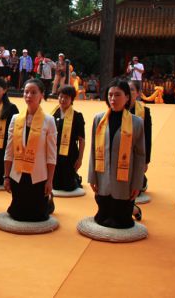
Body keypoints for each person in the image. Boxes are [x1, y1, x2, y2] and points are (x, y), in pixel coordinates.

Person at [88, 78, 146, 229]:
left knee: (121, 220)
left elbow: (140, 156)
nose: (113, 99)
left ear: (127, 97)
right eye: (110, 95)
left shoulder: (136, 123)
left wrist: (137, 183)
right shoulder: (99, 119)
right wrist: (92, 176)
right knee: (103, 213)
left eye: (118, 95)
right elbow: (93, 149)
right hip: (102, 174)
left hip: (125, 178)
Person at [3, 78, 57, 221]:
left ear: (41, 95)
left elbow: (51, 155)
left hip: (38, 177)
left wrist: (50, 181)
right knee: (17, 214)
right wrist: (6, 176)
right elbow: (9, 151)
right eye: (26, 92)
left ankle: (48, 203)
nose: (29, 96)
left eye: (33, 92)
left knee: (38, 216)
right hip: (18, 175)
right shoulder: (15, 119)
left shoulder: (49, 120)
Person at [52, 85, 86, 192]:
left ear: (72, 99)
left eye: (66, 97)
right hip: (54, 154)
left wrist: (80, 159)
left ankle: (75, 178)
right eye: (61, 96)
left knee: (68, 187)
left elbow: (81, 139)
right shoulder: (52, 115)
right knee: (55, 186)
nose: (62, 100)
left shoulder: (77, 116)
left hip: (70, 154)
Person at [129, 80, 152, 193]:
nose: (129, 92)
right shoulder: (117, 108)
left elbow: (148, 137)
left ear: (138, 93)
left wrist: (146, 161)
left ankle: (143, 180)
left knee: (137, 188)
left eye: (132, 89)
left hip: (137, 150)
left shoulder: (145, 111)